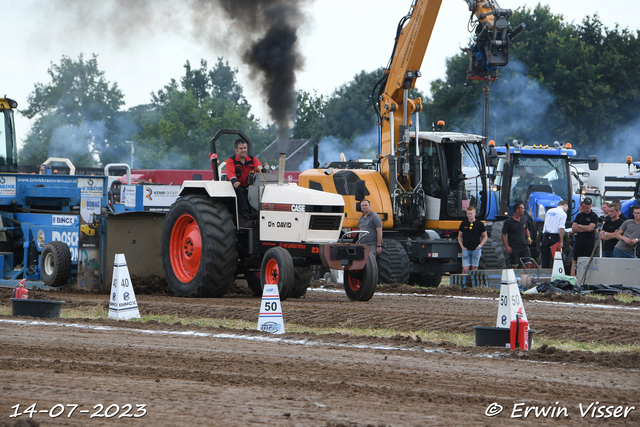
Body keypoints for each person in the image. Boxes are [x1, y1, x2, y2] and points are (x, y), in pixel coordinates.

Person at [225, 139, 263, 228]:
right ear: (236, 149)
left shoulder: (253, 159)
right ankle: (246, 217)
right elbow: (230, 172)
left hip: (248, 186)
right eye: (241, 148)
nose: (243, 150)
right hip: (235, 186)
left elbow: (259, 169)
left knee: (256, 191)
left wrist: (262, 169)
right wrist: (234, 181)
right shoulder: (231, 160)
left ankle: (259, 215)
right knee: (240, 191)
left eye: (245, 148)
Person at [571, 197, 599, 272]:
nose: (587, 206)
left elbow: (591, 228)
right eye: (586, 204)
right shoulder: (579, 216)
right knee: (576, 262)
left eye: (589, 204)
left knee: (588, 263)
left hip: (589, 244)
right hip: (579, 243)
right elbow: (573, 228)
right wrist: (585, 228)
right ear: (583, 204)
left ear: (591, 205)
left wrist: (579, 226)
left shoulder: (594, 216)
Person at [458, 206, 487, 274]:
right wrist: (462, 247)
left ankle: (473, 283)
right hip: (466, 249)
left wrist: (479, 246)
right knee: (465, 268)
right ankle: (463, 283)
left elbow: (485, 236)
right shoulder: (463, 223)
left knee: (474, 268)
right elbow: (459, 236)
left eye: (471, 213)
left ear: (474, 214)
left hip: (476, 249)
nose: (469, 215)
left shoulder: (479, 224)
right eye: (468, 214)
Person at [502, 202, 532, 267]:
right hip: (514, 247)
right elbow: (503, 234)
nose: (524, 210)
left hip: (524, 246)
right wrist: (507, 246)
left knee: (527, 264)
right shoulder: (508, 222)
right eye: (522, 208)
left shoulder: (524, 219)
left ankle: (525, 277)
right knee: (514, 265)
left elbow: (526, 229)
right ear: (517, 210)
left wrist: (529, 237)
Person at [541, 200, 568, 268]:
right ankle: (553, 274)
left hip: (546, 235)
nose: (566, 210)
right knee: (555, 258)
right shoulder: (563, 214)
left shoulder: (549, 211)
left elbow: (545, 224)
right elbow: (561, 228)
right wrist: (561, 241)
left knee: (545, 257)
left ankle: (545, 274)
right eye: (567, 208)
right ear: (565, 205)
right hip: (555, 237)